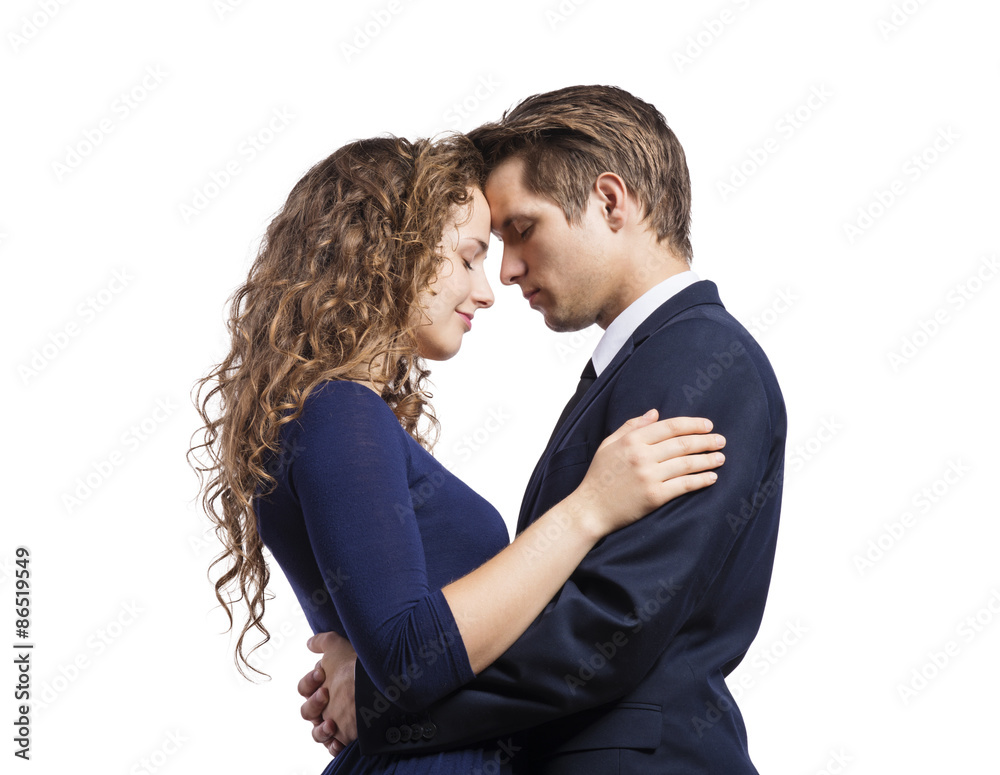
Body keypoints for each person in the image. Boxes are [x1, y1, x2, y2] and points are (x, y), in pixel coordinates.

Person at [190, 133, 727, 775]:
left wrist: (361, 669)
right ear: (393, 254)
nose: (488, 290)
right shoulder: (340, 411)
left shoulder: (338, 412)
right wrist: (590, 508)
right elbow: (408, 656)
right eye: (470, 258)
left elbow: (395, 646)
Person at [299, 86, 787, 774]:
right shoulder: (639, 365)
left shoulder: (700, 357)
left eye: (522, 230)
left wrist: (382, 699)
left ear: (611, 202)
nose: (506, 272)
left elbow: (609, 625)